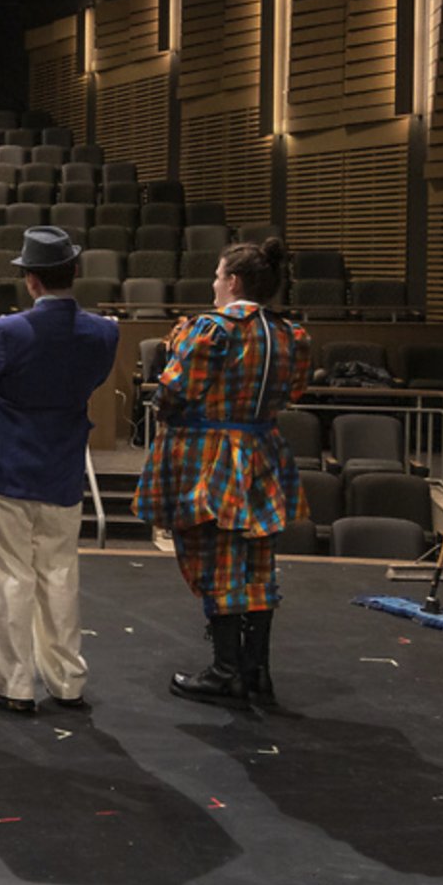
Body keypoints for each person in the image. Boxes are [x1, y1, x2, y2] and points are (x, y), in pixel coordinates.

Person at [133, 238, 310, 709]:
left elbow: (174, 391)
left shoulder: (212, 329)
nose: (213, 284)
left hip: (211, 456)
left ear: (233, 281)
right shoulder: (290, 333)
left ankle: (226, 672)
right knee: (258, 564)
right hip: (263, 452)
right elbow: (294, 390)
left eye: (217, 275)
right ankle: (257, 672)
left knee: (219, 561)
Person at [0, 227, 119, 714]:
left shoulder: (7, 331)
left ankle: (12, 683)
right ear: (75, 271)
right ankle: (67, 680)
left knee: (9, 575)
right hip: (62, 465)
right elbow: (93, 380)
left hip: (4, 465)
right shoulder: (104, 332)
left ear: (31, 280)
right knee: (59, 572)